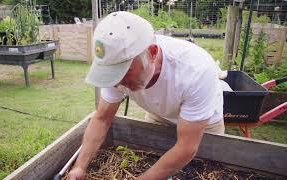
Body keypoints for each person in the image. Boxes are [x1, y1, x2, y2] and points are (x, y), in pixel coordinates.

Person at [68, 11, 227, 180]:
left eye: (125, 71)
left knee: (203, 171)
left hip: (204, 125)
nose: (116, 83)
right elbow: (101, 119)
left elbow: (187, 147)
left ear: (152, 52)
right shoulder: (118, 71)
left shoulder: (195, 70)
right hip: (159, 115)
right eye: (112, 74)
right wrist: (79, 167)